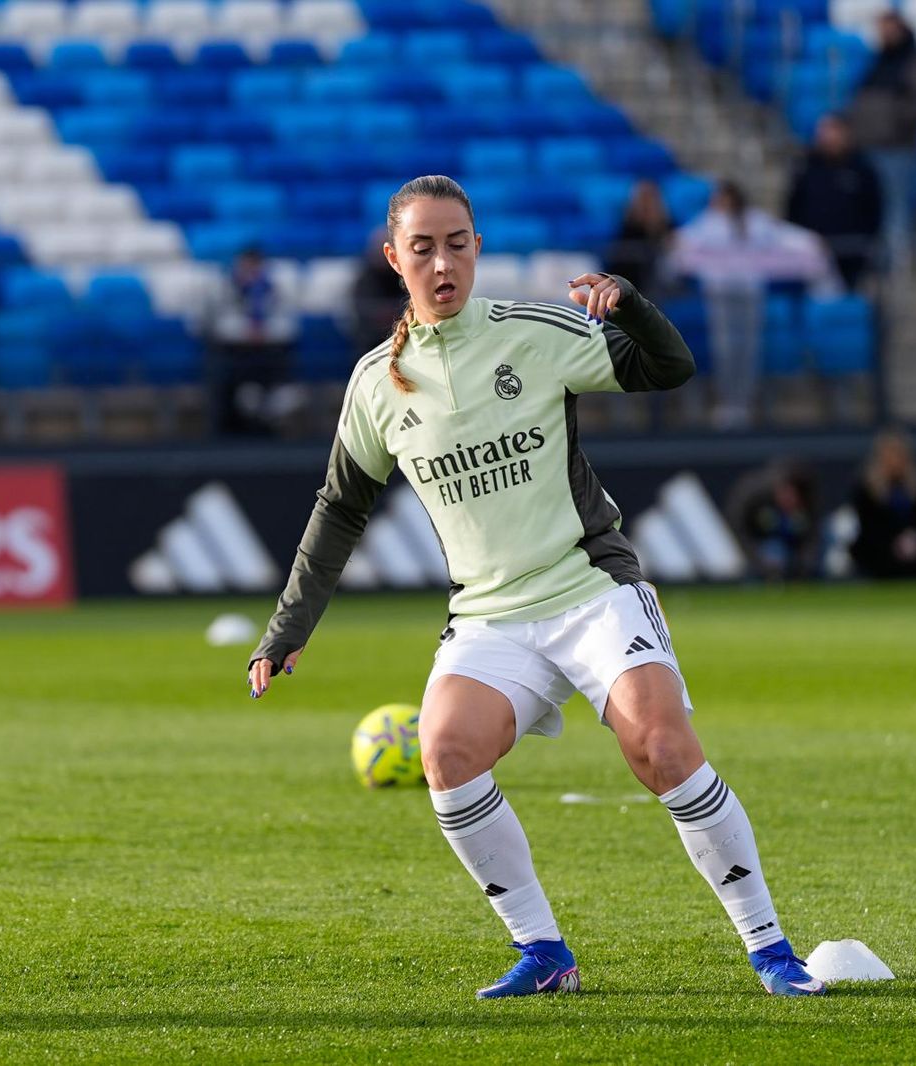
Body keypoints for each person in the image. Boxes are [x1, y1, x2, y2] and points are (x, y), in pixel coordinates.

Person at [247, 175, 825, 1000]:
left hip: (589, 588)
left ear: (477, 249)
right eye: (423, 248)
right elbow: (340, 507)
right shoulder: (377, 383)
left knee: (661, 750)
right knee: (445, 754)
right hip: (490, 616)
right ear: (393, 259)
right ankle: (545, 953)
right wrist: (289, 628)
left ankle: (771, 950)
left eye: (456, 243)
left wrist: (626, 301)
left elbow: (671, 367)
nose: (442, 262)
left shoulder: (535, 331)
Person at [667, 180, 834, 428]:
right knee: (724, 347)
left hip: (749, 292)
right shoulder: (708, 223)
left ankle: (743, 402)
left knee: (749, 347)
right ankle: (727, 401)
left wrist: (810, 240)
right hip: (721, 293)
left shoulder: (755, 221)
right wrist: (675, 246)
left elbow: (784, 235)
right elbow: (683, 241)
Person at [846, 12, 916, 277]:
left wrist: (894, 125)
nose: (883, 34)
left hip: (895, 148)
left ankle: (896, 270)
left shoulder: (912, 61)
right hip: (868, 146)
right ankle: (876, 265)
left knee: (894, 211)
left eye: (888, 29)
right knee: (871, 210)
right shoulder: (878, 59)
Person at [204, 245, 300, 436]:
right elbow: (216, 324)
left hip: (269, 351)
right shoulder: (223, 289)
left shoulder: (273, 290)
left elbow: (289, 325)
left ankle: (268, 425)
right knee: (224, 373)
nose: (250, 272)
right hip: (234, 353)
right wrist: (246, 331)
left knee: (278, 367)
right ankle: (229, 429)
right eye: (246, 266)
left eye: (255, 267)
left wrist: (263, 331)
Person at [785, 115, 884, 292]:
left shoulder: (862, 169)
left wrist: (863, 240)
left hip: (852, 251)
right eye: (824, 133)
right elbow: (793, 207)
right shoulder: (806, 168)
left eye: (833, 133)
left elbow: (874, 209)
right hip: (812, 251)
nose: (828, 138)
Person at [848, 428, 916, 578]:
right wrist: (895, 540)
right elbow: (867, 523)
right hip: (880, 541)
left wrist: (912, 538)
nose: (894, 460)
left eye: (898, 455)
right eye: (890, 454)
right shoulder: (867, 487)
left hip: (912, 540)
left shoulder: (914, 486)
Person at [730, 460, 821, 581]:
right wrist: (760, 565)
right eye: (786, 496)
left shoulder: (806, 502)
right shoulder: (754, 497)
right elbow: (740, 531)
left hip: (790, 547)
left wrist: (803, 566)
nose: (789, 504)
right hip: (760, 546)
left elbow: (811, 537)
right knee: (773, 550)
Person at [603, 179, 674, 299]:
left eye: (650, 197)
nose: (646, 202)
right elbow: (621, 256)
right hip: (633, 277)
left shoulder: (668, 224)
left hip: (660, 276)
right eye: (643, 197)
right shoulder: (627, 226)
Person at [350, 227, 409, 359]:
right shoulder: (364, 278)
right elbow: (361, 309)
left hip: (404, 339)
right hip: (371, 342)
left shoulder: (405, 276)